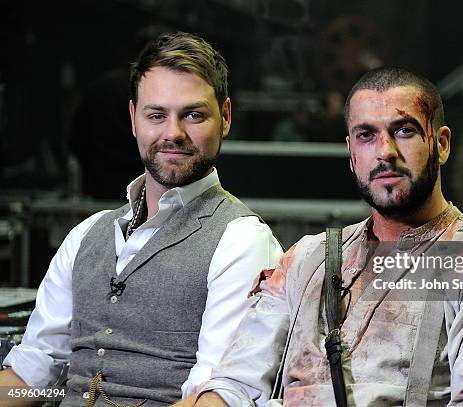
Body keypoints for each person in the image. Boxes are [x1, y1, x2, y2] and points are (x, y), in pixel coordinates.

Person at [195, 67, 463, 406]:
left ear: (441, 144)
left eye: (404, 131)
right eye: (367, 135)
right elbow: (234, 386)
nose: (385, 152)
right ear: (351, 153)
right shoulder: (306, 259)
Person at [0, 32, 283, 406]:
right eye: (156, 115)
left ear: (225, 117)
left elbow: (217, 395)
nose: (173, 133)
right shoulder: (87, 234)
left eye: (194, 115)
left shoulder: (242, 240)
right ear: (134, 119)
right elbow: (31, 375)